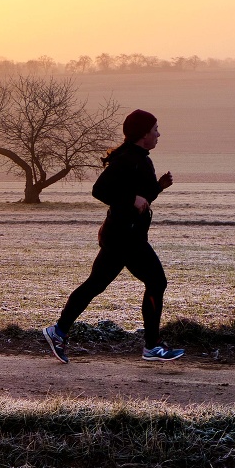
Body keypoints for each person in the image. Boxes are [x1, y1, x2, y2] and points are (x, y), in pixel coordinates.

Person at [43, 109, 184, 364]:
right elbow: (100, 190)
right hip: (125, 237)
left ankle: (58, 331)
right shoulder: (128, 159)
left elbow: (141, 200)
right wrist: (133, 198)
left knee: (95, 284)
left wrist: (157, 188)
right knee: (156, 281)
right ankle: (152, 346)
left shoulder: (141, 158)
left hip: (122, 235)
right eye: (155, 130)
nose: (158, 134)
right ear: (143, 134)